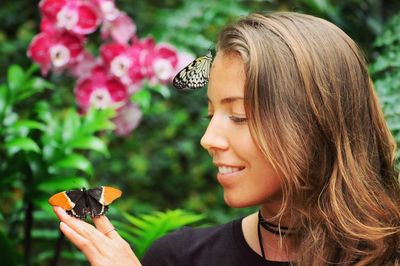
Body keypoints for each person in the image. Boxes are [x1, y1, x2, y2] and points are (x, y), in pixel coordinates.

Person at [53, 12, 400, 265]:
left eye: (239, 116)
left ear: (318, 122)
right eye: (211, 113)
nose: (209, 138)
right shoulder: (178, 258)